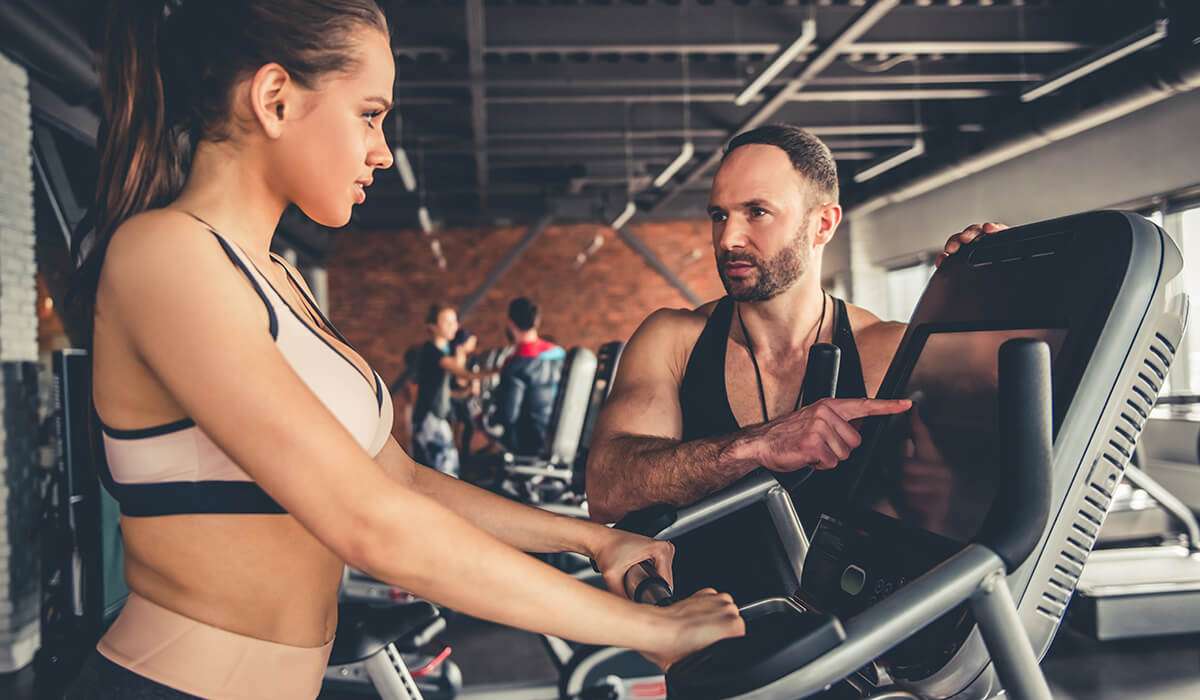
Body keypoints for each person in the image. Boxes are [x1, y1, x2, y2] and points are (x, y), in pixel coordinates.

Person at [67, 2, 742, 697]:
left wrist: (592, 538)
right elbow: (368, 521)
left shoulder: (280, 279)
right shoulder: (166, 256)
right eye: (369, 113)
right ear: (274, 99)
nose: (382, 149)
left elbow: (402, 481)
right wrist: (653, 631)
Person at [586, 123, 1003, 525]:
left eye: (757, 212)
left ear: (823, 224)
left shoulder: (891, 352)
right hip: (694, 596)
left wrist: (1003, 297)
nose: (729, 238)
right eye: (719, 215)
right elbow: (606, 491)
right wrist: (757, 446)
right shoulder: (672, 340)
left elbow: (980, 497)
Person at [411, 303, 482, 476]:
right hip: (429, 419)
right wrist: (498, 370)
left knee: (445, 470)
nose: (454, 326)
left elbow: (447, 391)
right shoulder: (432, 351)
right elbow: (462, 374)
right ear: (433, 327)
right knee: (447, 471)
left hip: (437, 418)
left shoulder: (446, 351)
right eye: (447, 322)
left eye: (455, 321)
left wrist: (465, 393)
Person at [494, 297, 566, 456]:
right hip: (561, 437)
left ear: (510, 323)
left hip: (528, 444)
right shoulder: (560, 354)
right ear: (536, 322)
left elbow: (508, 415)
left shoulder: (514, 364)